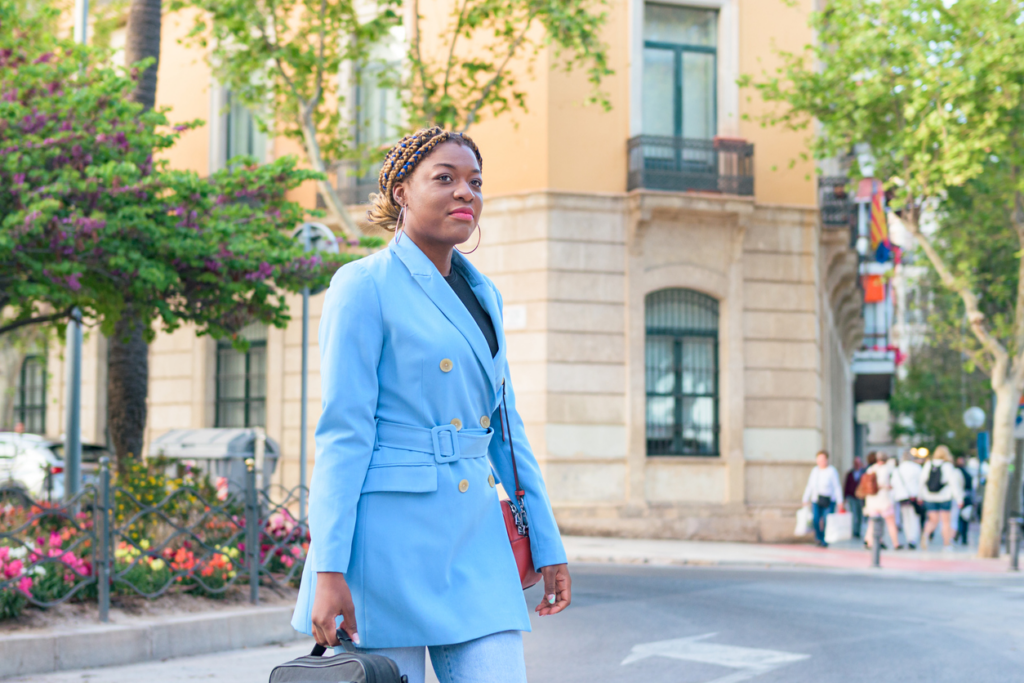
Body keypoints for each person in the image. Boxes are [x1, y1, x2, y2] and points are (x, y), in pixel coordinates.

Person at [291, 128, 571, 683]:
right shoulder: (362, 285)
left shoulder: (483, 291)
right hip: (387, 542)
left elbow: (504, 427)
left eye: (475, 182)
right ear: (401, 191)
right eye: (444, 178)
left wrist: (544, 537)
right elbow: (344, 435)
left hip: (474, 540)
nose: (465, 192)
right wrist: (329, 568)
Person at [920, 445, 964, 550]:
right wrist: (959, 499)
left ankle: (925, 535)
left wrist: (920, 496)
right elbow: (954, 484)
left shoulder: (928, 464)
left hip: (930, 497)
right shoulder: (948, 466)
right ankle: (946, 544)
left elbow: (922, 481)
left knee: (933, 520)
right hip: (945, 497)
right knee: (946, 522)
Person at [802, 450, 844, 547]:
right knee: (816, 519)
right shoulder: (815, 471)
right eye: (819, 459)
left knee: (826, 520)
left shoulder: (832, 471)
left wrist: (840, 501)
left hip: (829, 500)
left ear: (827, 460)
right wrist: (805, 498)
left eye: (822, 459)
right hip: (816, 499)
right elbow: (810, 485)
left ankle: (825, 539)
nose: (820, 462)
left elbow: (837, 486)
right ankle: (818, 538)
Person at [863, 452, 901, 550]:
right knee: (890, 522)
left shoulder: (871, 469)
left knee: (872, 522)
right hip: (884, 499)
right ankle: (896, 543)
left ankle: (869, 541)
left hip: (872, 500)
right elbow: (893, 484)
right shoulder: (888, 469)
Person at [891, 450, 923, 549]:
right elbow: (921, 483)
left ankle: (908, 537)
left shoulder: (898, 469)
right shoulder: (916, 468)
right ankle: (912, 539)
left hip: (902, 497)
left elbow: (893, 483)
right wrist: (920, 496)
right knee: (914, 518)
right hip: (914, 496)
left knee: (905, 518)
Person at [954, 455, 974, 546]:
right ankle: (958, 535)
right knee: (960, 519)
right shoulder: (957, 471)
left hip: (967, 497)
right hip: (961, 498)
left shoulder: (967, 470)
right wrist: (959, 499)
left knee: (964, 518)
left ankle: (963, 537)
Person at [844, 457, 865, 538]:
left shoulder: (863, 473)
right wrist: (844, 497)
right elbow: (846, 485)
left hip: (860, 497)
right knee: (854, 513)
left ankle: (858, 531)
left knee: (859, 514)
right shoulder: (850, 473)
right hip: (851, 496)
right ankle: (854, 530)